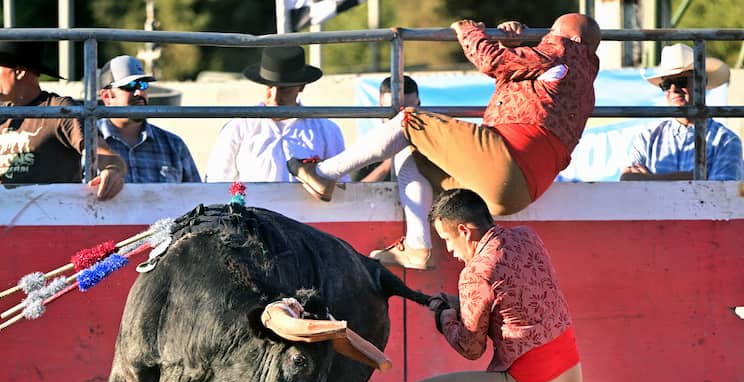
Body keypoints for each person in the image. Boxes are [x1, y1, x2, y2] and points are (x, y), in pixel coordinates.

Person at [288, 13, 601, 268]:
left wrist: (470, 30)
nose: (545, 38)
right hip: (520, 191)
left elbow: (489, 61)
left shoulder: (563, 51)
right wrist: (514, 46)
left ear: (572, 39)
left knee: (412, 120)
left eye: (552, 33)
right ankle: (416, 247)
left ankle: (323, 175)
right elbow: (522, 89)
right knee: (414, 157)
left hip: (506, 160)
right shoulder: (581, 80)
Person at [402, 188, 582, 382]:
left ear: (464, 231)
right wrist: (459, 309)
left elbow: (470, 347)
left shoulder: (474, 273)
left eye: (446, 239)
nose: (449, 250)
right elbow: (511, 302)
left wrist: (445, 318)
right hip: (571, 375)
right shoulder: (528, 237)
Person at [0, 41, 126, 200]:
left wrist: (113, 171)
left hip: (52, 224)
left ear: (19, 71)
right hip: (2, 226)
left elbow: (107, 156)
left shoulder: (60, 109)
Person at [204, 46, 345, 182]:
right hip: (250, 206)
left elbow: (342, 184)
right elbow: (217, 182)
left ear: (301, 87)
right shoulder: (238, 128)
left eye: (284, 89)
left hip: (307, 207)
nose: (275, 97)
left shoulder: (327, 130)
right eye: (270, 86)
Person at [620, 43, 742, 181]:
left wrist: (649, 180)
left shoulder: (726, 140)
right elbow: (627, 180)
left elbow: (718, 197)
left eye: (680, 81)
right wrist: (693, 178)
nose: (672, 89)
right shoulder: (646, 138)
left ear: (702, 83)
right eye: (666, 84)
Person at [359, 75, 434, 270]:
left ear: (419, 105)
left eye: (410, 112)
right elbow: (353, 194)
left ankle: (418, 245)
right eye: (394, 114)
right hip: (373, 243)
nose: (402, 121)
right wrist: (386, 164)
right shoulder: (366, 148)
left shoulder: (433, 146)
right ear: (380, 109)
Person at [97, 55, 200, 183]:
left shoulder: (174, 145)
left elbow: (197, 197)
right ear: (106, 96)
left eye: (143, 84)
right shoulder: (85, 142)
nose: (139, 92)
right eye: (130, 85)